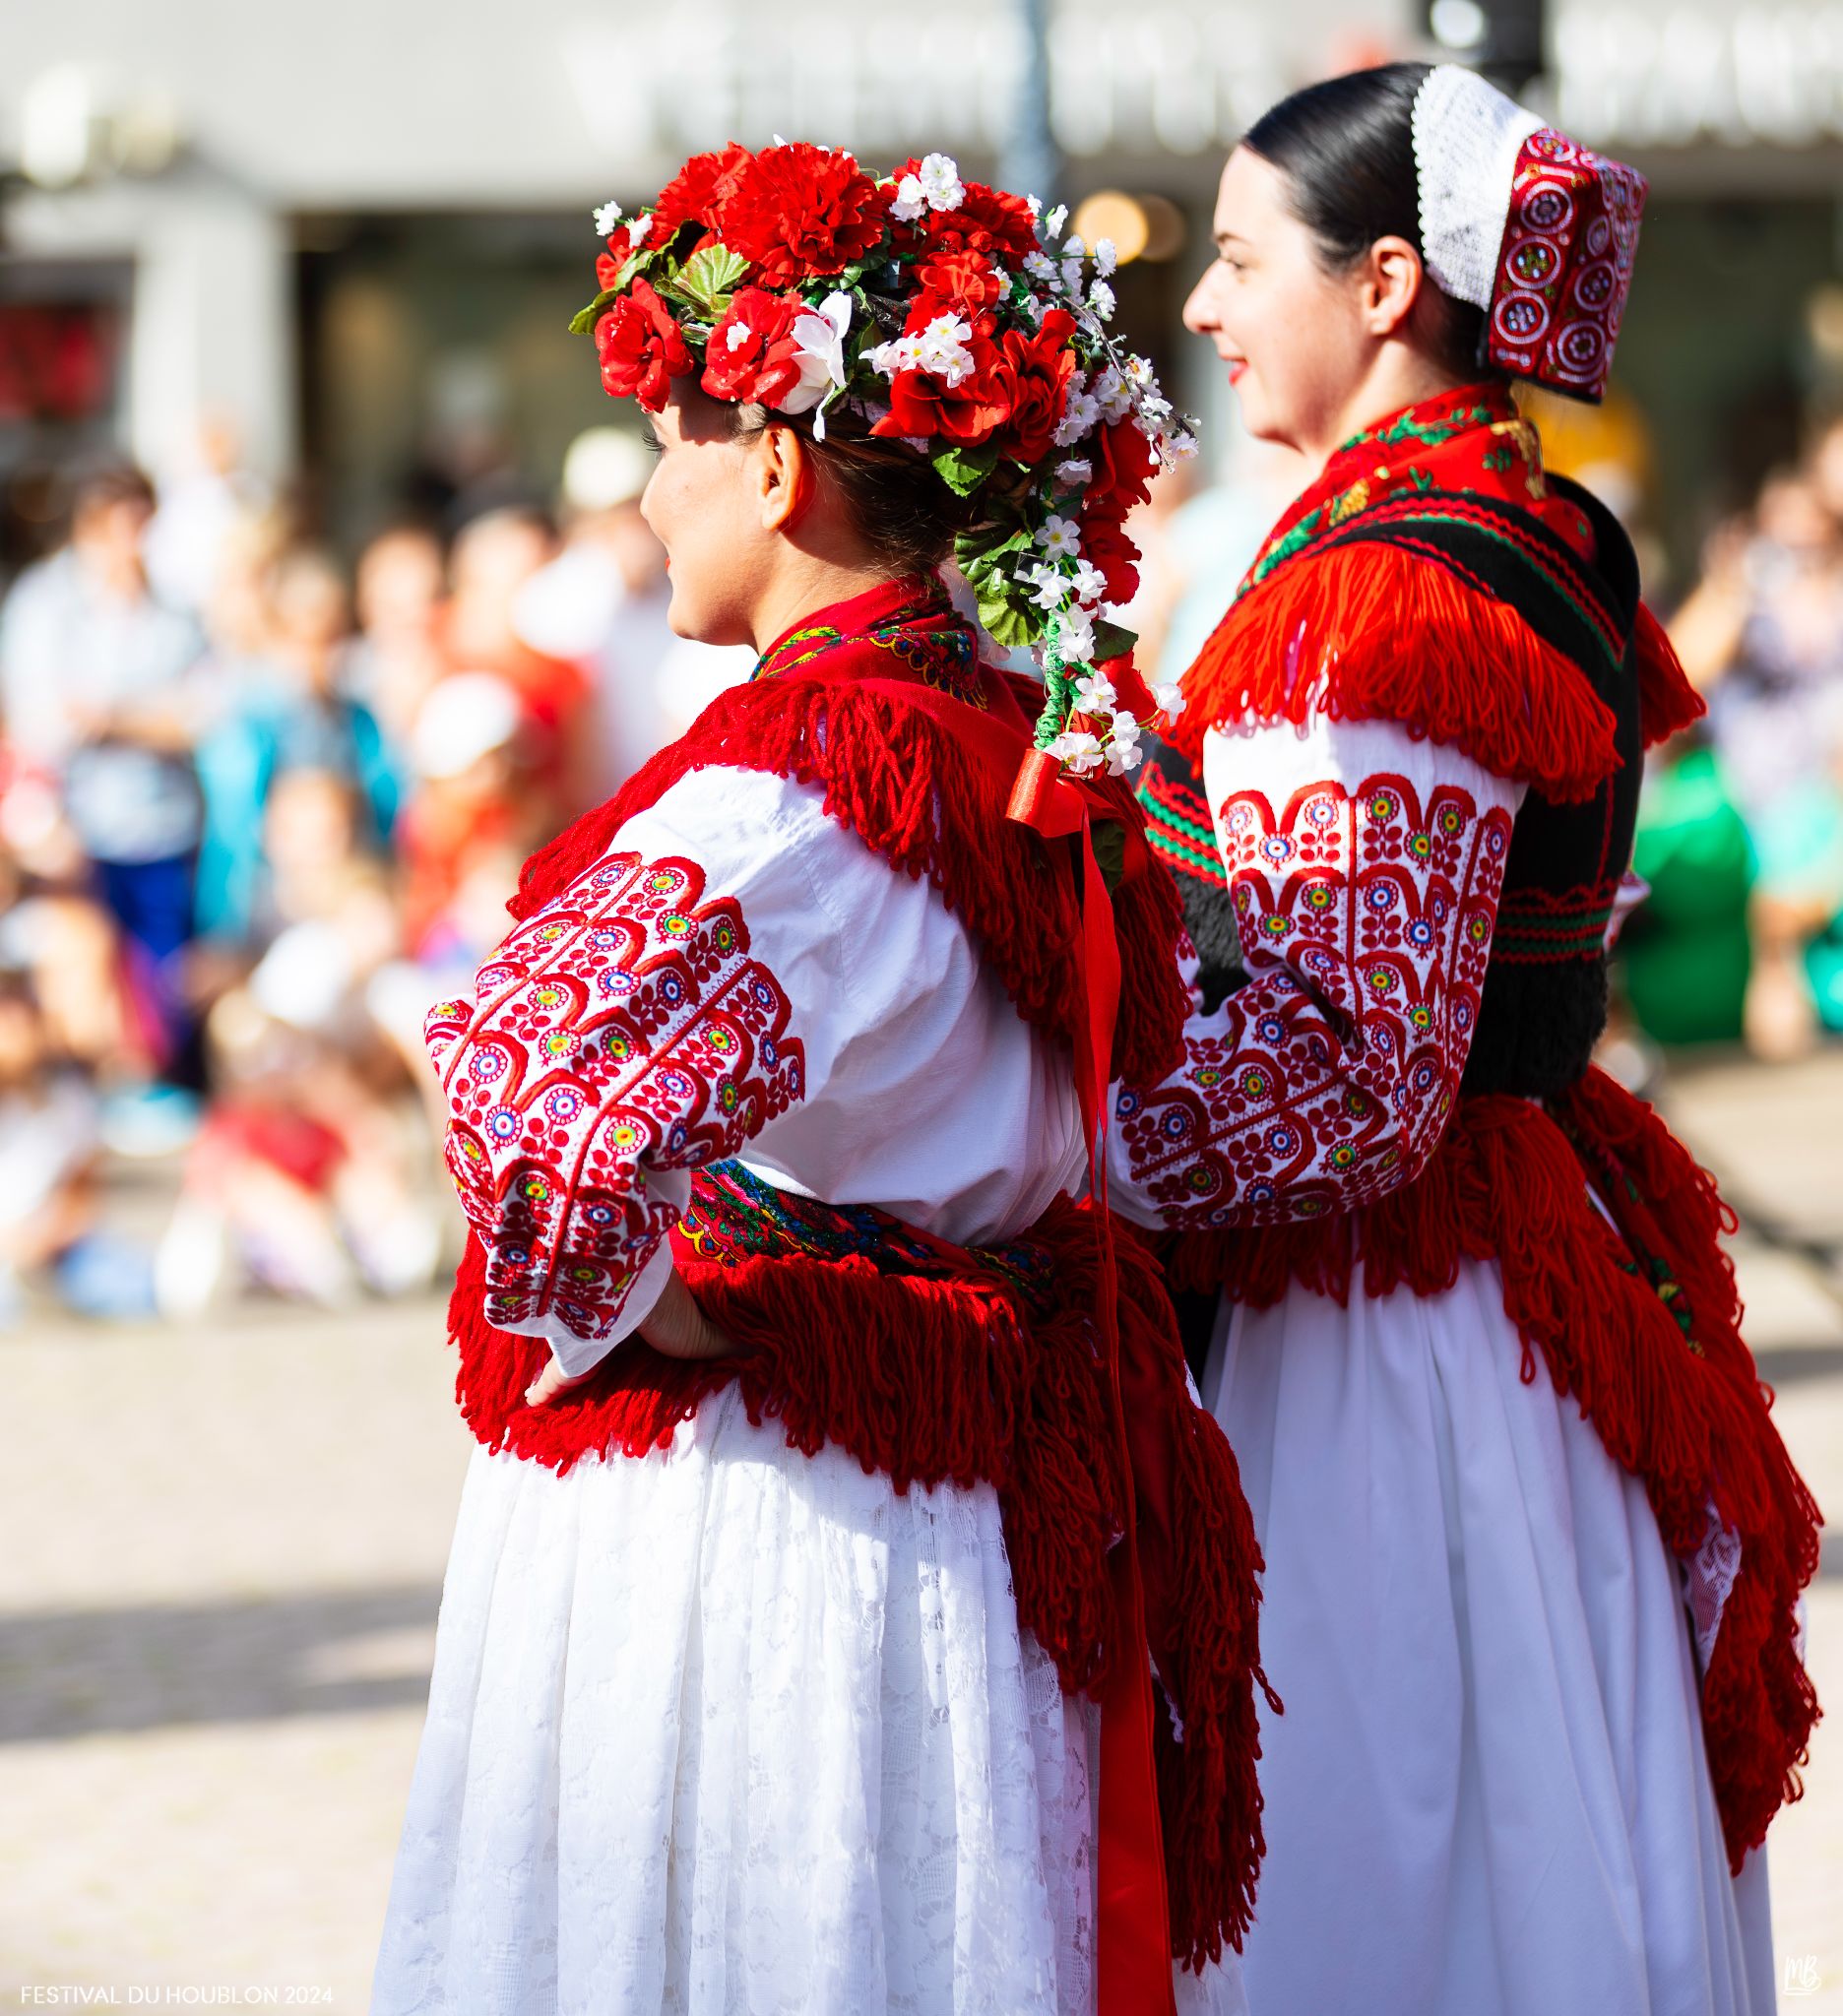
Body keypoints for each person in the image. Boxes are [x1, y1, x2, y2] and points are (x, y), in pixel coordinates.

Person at [373, 144, 1266, 2016]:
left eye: (669, 434)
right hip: (978, 1514)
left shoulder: (797, 787)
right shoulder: (1040, 735)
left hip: (786, 1517)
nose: (646, 483)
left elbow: (520, 1082)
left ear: (773, 462)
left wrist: (669, 1307)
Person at [1112, 64, 1820, 2016]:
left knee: (1393, 1865)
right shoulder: (1528, 522)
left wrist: (1040, 1152)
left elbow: (1354, 1076)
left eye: (1243, 258)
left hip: (1391, 1337)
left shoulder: (1379, 599)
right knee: (1517, 1858)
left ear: (1389, 281)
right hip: (1506, 1272)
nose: (1205, 303)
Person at [0, 465, 206, 1065]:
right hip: (74, 830)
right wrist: (147, 718)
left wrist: (109, 717)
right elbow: (44, 724)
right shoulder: (44, 604)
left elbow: (200, 715)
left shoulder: (175, 606)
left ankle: (150, 1082)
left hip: (161, 824)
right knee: (85, 980)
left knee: (162, 982)